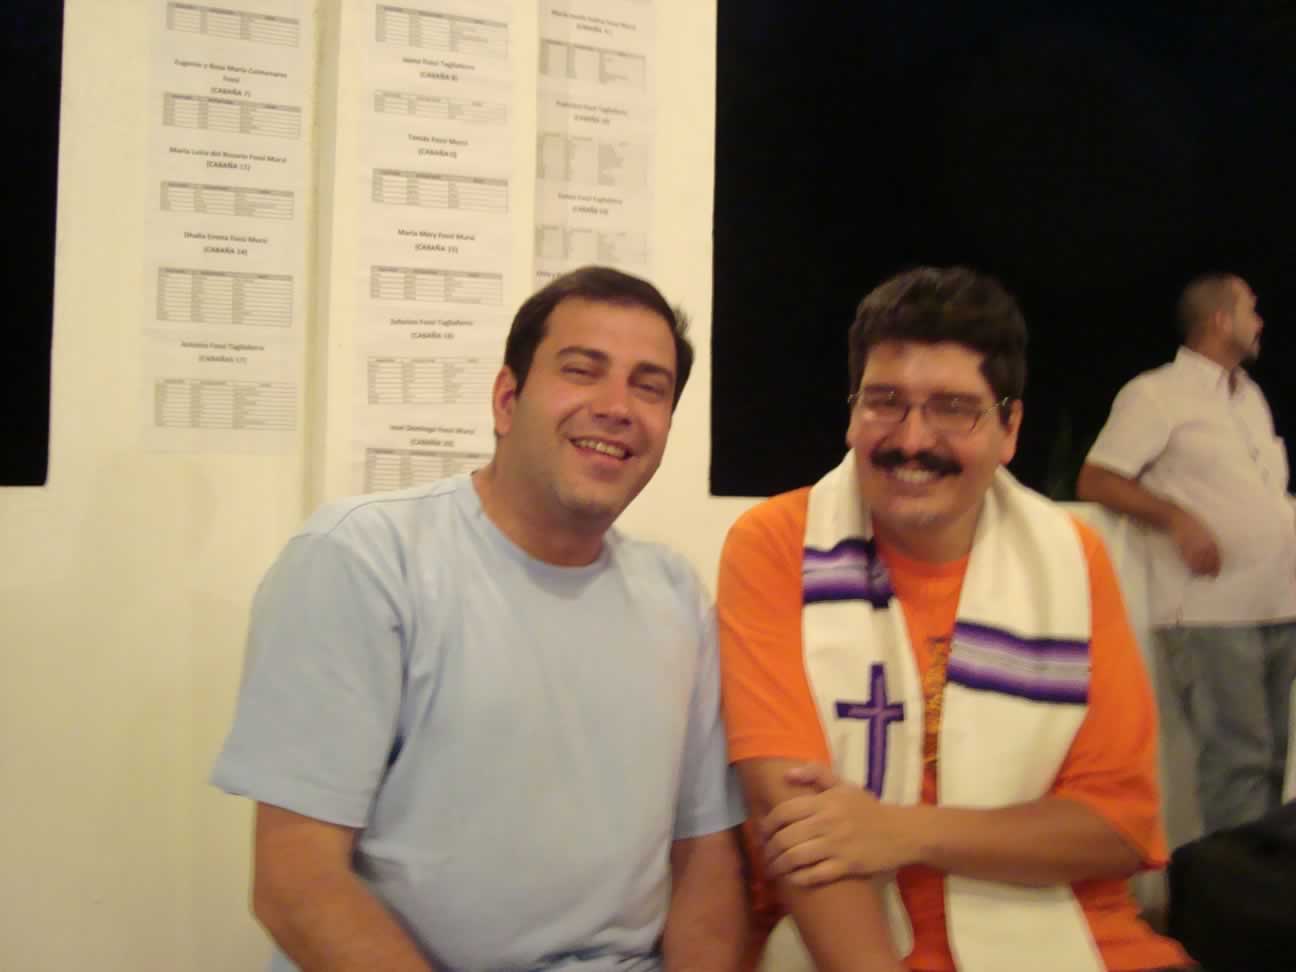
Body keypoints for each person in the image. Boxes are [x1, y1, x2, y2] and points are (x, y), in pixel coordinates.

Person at [212, 266, 747, 972]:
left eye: (649, 387)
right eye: (582, 370)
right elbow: (295, 883)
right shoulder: (363, 560)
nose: (618, 407)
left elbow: (705, 858)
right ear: (506, 399)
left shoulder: (676, 596)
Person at [717, 266, 1191, 971]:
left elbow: (1117, 828)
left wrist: (903, 832)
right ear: (852, 413)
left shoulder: (1070, 561)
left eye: (953, 408)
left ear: (1009, 428)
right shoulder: (777, 546)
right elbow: (799, 828)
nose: (913, 438)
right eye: (885, 402)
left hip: (1076, 937)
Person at [1077, 272, 1296, 834]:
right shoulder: (1156, 393)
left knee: (1275, 766)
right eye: (1251, 309)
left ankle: (1269, 881)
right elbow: (1097, 478)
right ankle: (1238, 888)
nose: (1260, 322)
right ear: (1220, 320)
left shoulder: (1250, 397)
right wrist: (1176, 518)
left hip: (1277, 604)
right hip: (1210, 612)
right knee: (1238, 764)